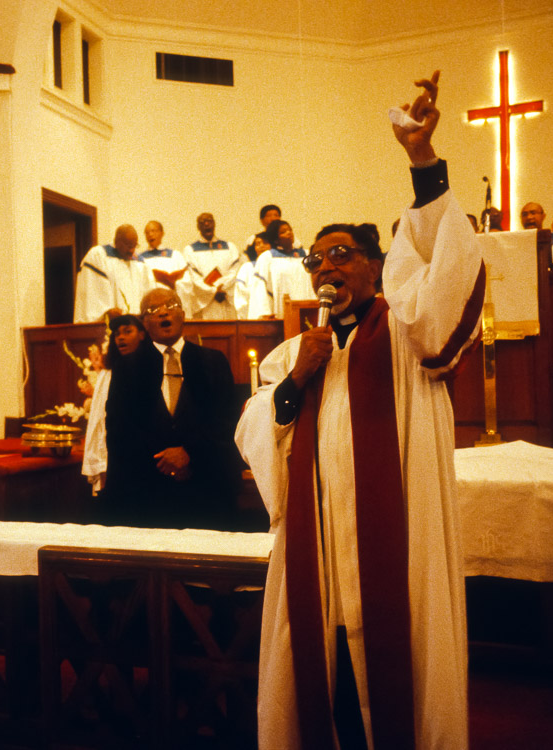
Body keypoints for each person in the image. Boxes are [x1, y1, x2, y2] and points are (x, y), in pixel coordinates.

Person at [236, 71, 479, 749]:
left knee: (398, 682)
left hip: (393, 554)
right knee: (326, 690)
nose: (326, 268)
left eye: (341, 254)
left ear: (376, 266)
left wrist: (422, 162)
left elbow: (445, 277)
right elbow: (256, 426)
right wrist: (295, 383)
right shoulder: (294, 353)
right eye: (317, 259)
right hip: (318, 558)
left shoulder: (407, 336)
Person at [99, 288, 240, 529]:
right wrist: (165, 462)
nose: (164, 312)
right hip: (148, 494)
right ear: (144, 323)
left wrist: (189, 455)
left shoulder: (212, 361)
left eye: (171, 305)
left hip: (204, 489)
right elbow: (119, 429)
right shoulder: (127, 367)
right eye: (153, 310)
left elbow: (227, 422)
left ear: (183, 315)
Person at [81, 314, 147, 494]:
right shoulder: (108, 373)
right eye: (117, 334)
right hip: (114, 452)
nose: (121, 338)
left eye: (127, 331)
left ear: (142, 334)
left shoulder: (151, 366)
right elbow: (98, 419)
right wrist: (99, 460)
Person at [73, 224, 154, 322]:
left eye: (135, 246)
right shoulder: (98, 255)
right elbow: (91, 293)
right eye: (128, 246)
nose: (132, 251)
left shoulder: (140, 263)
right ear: (116, 242)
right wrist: (106, 311)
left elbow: (149, 293)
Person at [179, 212, 243, 319]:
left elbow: (235, 270)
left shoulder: (229, 247)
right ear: (198, 226)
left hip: (225, 297)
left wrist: (223, 287)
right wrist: (213, 291)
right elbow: (193, 276)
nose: (207, 224)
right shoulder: (190, 250)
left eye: (210, 221)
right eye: (203, 222)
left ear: (214, 224)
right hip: (205, 302)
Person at [246, 219, 309, 319]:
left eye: (290, 230)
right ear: (275, 239)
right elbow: (260, 288)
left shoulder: (306, 254)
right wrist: (264, 313)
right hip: (281, 311)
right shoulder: (267, 257)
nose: (289, 233)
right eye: (283, 232)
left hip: (308, 307)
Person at [139, 220, 189, 292]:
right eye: (147, 232)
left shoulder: (175, 255)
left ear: (162, 233)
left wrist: (172, 284)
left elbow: (186, 280)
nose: (150, 234)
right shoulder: (141, 259)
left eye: (153, 231)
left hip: (171, 297)